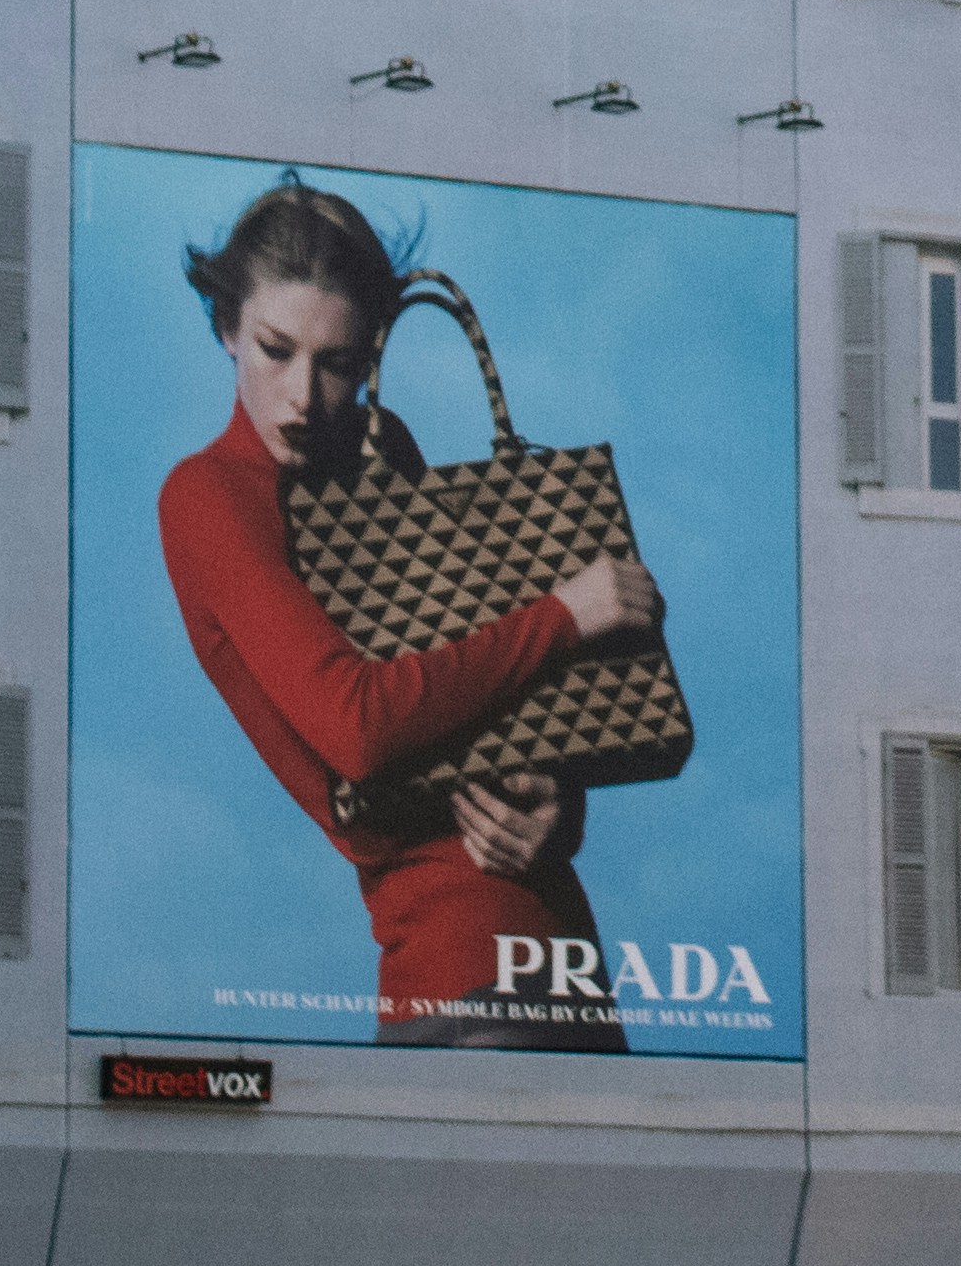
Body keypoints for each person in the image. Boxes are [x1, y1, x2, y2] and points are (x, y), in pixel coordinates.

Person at [155, 178, 664, 1047]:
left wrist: (559, 804)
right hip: (454, 979)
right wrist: (564, 615)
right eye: (275, 350)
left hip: (561, 953)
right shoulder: (210, 500)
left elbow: (489, 699)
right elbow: (358, 726)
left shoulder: (379, 449)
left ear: (373, 356)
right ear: (226, 328)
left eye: (339, 364)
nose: (303, 398)